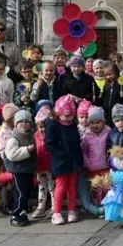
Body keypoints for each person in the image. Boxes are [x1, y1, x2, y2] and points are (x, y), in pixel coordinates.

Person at [44, 96, 83, 225]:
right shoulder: (52, 126)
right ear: (58, 113)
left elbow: (77, 142)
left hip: (73, 161)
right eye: (65, 116)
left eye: (71, 116)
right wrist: (61, 155)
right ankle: (57, 212)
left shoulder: (72, 125)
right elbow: (49, 145)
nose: (68, 119)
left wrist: (78, 158)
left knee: (72, 187)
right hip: (60, 162)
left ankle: (72, 210)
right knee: (60, 187)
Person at [3, 109, 37, 226]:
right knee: (21, 192)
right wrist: (27, 150)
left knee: (27, 190)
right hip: (19, 169)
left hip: (28, 168)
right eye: (21, 122)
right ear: (16, 124)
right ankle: (15, 214)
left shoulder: (32, 134)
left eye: (27, 121)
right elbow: (12, 154)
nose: (24, 124)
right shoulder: (14, 138)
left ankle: (22, 211)